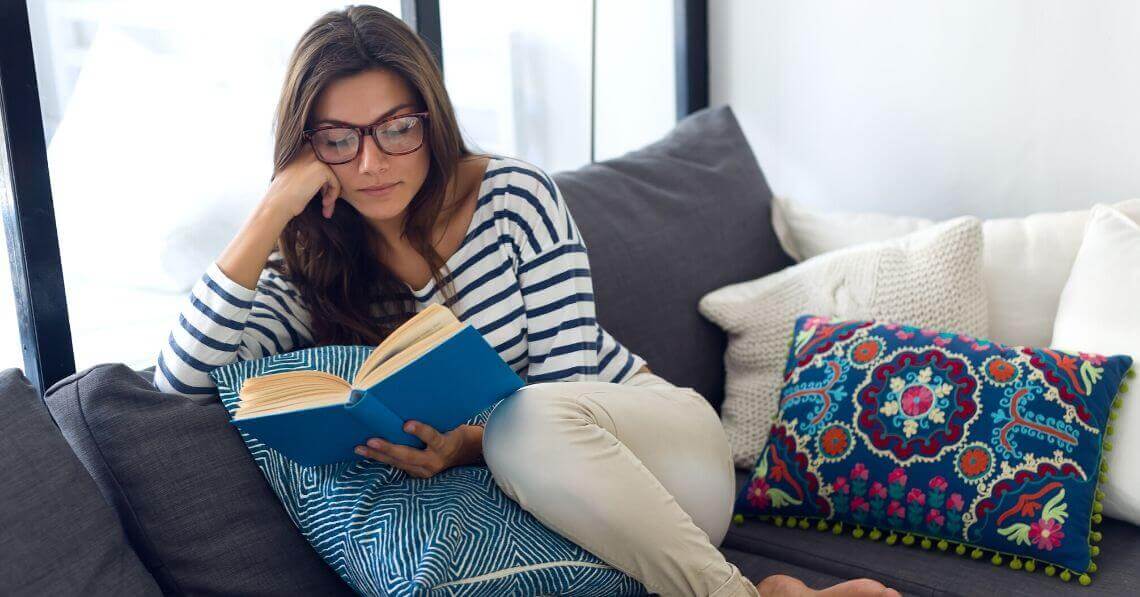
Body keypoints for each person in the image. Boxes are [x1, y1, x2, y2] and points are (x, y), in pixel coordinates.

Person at [153, 6, 901, 597]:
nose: (373, 161)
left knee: (523, 419)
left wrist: (465, 444)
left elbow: (567, 388)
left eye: (397, 129)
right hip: (564, 513)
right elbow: (177, 383)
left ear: (430, 120)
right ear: (306, 149)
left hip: (658, 447)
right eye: (339, 141)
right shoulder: (312, 265)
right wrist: (269, 213)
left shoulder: (512, 197)